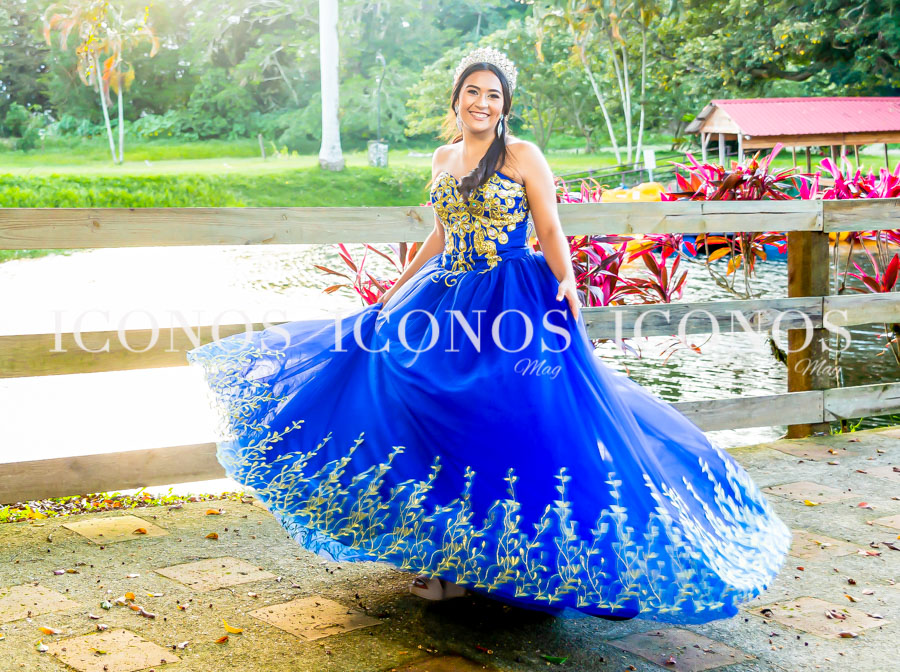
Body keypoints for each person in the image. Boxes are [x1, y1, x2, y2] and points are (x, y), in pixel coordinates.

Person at [186, 46, 790, 624]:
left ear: (505, 104)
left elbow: (550, 228)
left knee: (511, 415)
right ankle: (447, 561)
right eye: (472, 92)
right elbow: (442, 234)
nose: (482, 102)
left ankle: (521, 558)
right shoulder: (442, 158)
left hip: (512, 298)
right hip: (445, 297)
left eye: (493, 94)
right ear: (456, 100)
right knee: (406, 390)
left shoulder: (523, 155)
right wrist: (397, 289)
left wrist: (568, 282)